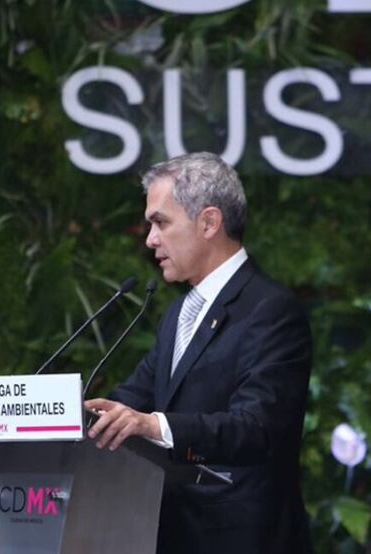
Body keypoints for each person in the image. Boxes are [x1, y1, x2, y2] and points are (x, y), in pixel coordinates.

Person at [84, 152, 313, 553]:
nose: (150, 238)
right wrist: (52, 422)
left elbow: (256, 428)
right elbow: (133, 400)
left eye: (160, 222)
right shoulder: (179, 313)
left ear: (209, 222)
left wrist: (154, 426)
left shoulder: (271, 309)